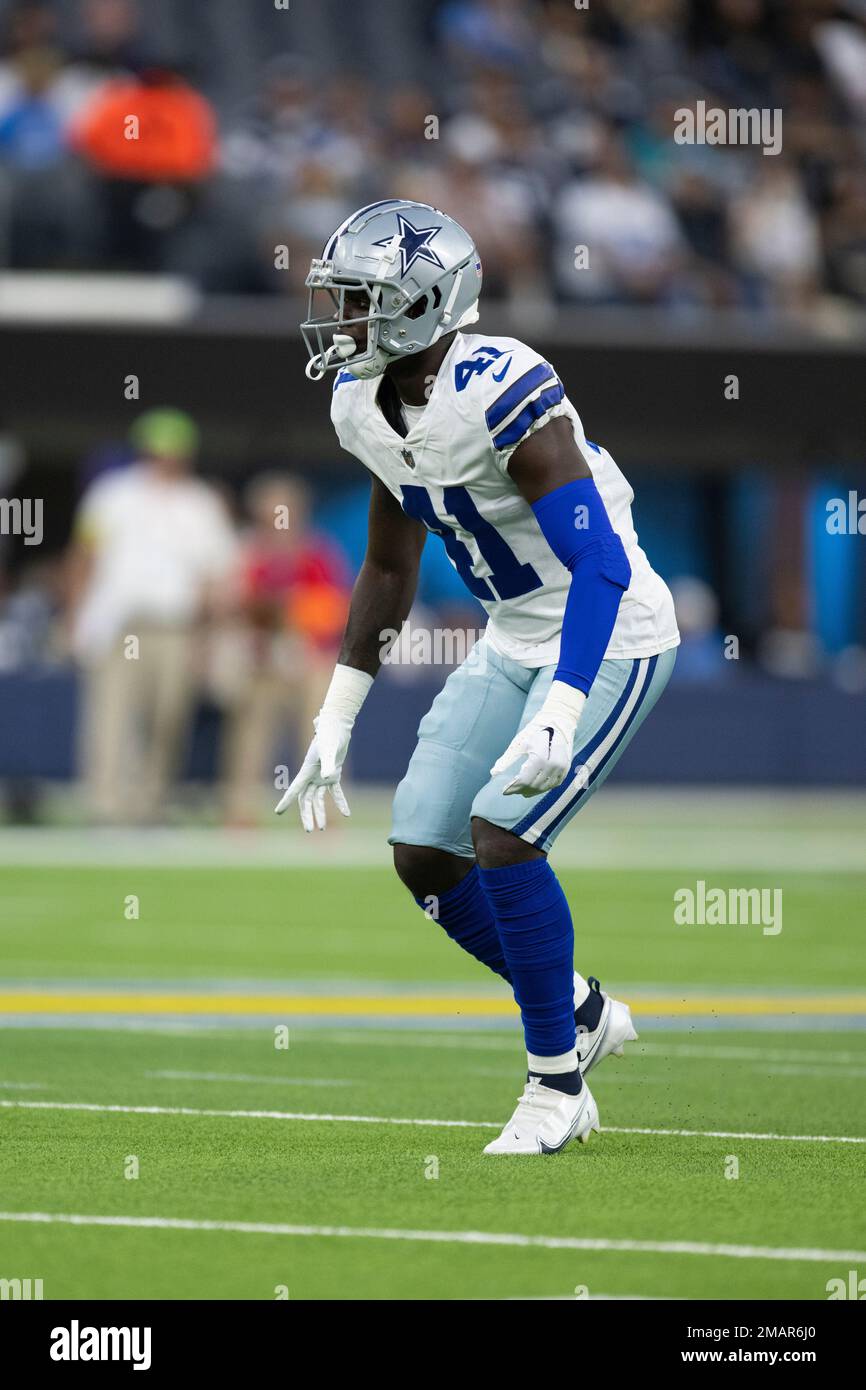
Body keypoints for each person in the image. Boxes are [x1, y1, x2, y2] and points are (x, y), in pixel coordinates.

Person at [277, 200, 679, 1155]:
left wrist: (564, 706)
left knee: (503, 831)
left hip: (608, 634)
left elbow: (604, 566)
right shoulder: (357, 403)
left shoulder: (503, 386)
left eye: (360, 302)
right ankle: (577, 1008)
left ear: (422, 305)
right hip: (510, 637)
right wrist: (337, 718)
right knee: (422, 846)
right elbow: (387, 566)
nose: (339, 319)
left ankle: (555, 1085)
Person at [68, 407, 237, 822]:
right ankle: (106, 807)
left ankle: (150, 803)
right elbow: (84, 558)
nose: (165, 460)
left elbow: (216, 578)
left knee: (168, 718)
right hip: (119, 624)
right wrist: (75, 616)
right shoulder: (111, 494)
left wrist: (207, 638)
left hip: (175, 629)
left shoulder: (201, 505)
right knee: (111, 716)